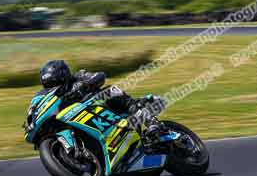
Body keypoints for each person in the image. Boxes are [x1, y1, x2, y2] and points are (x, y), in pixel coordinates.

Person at [38, 59, 166, 146]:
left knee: (110, 91)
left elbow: (100, 75)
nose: (53, 87)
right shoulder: (55, 98)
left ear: (63, 76)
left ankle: (151, 123)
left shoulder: (79, 76)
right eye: (49, 85)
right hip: (89, 122)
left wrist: (86, 84)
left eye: (54, 83)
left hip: (103, 107)